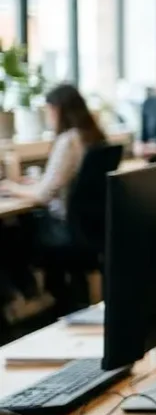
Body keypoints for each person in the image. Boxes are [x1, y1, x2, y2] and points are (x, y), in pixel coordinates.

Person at [0, 84, 106, 311]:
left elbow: (43, 195)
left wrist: (11, 187)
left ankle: (23, 298)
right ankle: (34, 294)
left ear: (58, 110)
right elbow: (60, 183)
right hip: (90, 229)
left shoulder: (68, 141)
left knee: (10, 232)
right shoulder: (93, 138)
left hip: (65, 230)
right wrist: (31, 184)